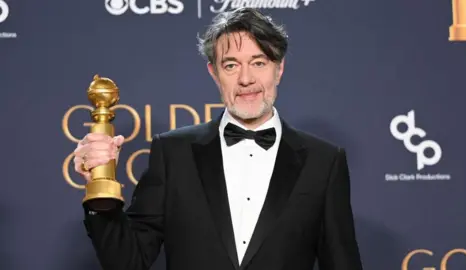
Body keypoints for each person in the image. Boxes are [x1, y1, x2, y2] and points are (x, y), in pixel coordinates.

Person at [74, 7, 363, 270]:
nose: (246, 79)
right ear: (214, 72)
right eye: (231, 65)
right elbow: (128, 262)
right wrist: (99, 193)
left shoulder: (324, 162)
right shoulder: (173, 153)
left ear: (279, 68)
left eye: (259, 63)